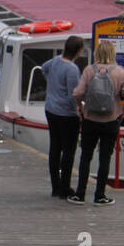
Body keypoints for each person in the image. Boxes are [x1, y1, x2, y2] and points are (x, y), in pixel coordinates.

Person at [69, 39, 124, 205]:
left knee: (86, 157)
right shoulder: (119, 72)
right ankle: (100, 196)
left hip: (90, 120)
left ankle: (80, 194)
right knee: (105, 158)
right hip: (111, 121)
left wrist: (81, 108)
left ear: (97, 53)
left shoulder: (89, 70)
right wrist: (122, 112)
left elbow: (77, 93)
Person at [41, 36, 84, 198]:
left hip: (50, 109)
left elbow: (43, 68)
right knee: (68, 150)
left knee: (55, 148)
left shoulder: (55, 60)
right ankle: (65, 187)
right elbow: (74, 94)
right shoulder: (72, 69)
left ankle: (55, 186)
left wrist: (51, 84)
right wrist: (79, 110)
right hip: (66, 114)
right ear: (79, 51)